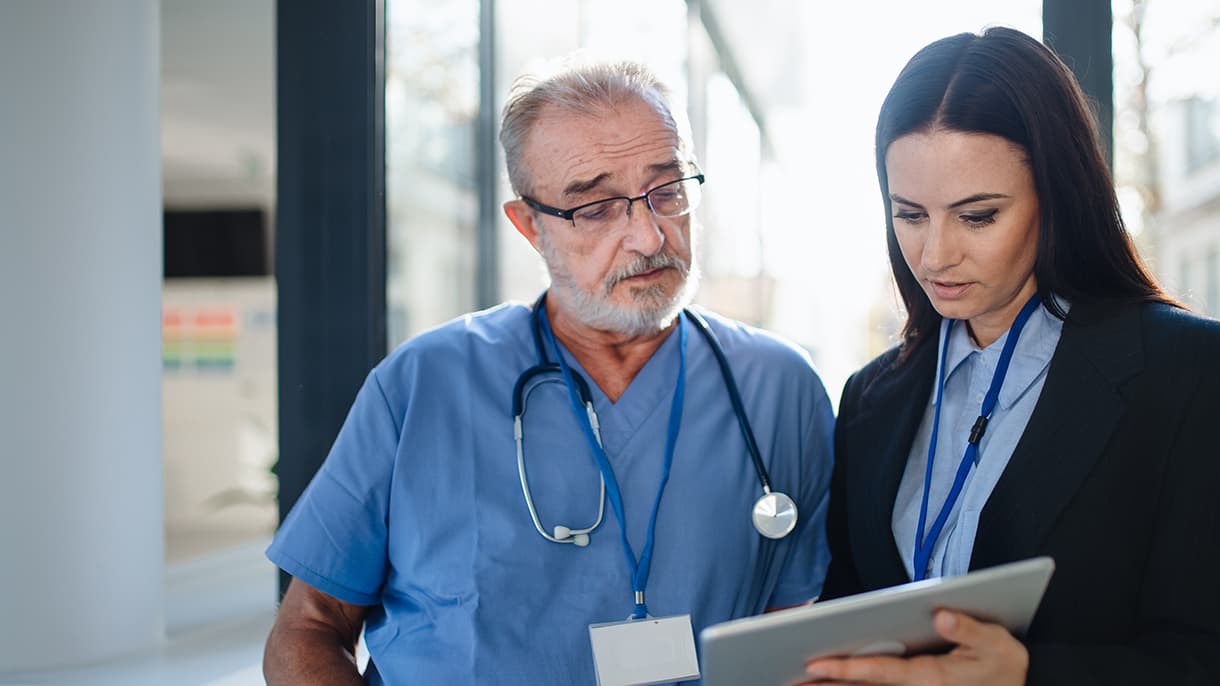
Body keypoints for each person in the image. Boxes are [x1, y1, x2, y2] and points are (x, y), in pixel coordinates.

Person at [262, 57, 835, 685]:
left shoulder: (777, 387)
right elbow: (310, 624)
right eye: (595, 208)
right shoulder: (425, 383)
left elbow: (795, 619)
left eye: (666, 192)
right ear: (529, 225)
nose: (648, 236)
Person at [802, 26, 1220, 685]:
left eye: (977, 216)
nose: (935, 256)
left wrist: (1029, 675)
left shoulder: (1188, 374)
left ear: (1057, 198)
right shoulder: (871, 398)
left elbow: (1203, 655)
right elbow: (852, 605)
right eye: (909, 214)